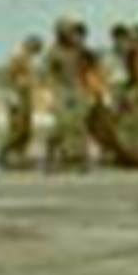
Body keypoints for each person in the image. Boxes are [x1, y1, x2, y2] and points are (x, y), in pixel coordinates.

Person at [42, 18, 98, 173]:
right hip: (61, 90)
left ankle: (81, 158)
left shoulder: (81, 51)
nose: (71, 34)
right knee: (62, 125)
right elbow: (48, 74)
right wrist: (48, 95)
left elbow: (91, 69)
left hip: (79, 89)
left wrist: (93, 91)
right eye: (67, 31)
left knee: (79, 124)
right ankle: (51, 156)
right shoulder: (53, 52)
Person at [0, 35, 42, 171]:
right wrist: (12, 96)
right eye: (34, 47)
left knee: (27, 129)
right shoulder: (17, 58)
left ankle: (21, 155)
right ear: (27, 45)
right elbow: (7, 77)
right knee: (17, 128)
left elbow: (30, 79)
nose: (36, 50)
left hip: (25, 96)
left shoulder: (29, 60)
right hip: (16, 96)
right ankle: (5, 152)